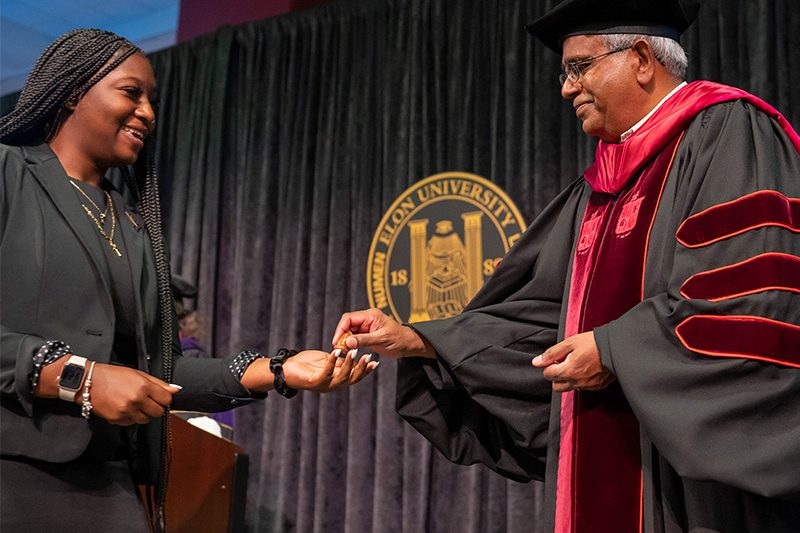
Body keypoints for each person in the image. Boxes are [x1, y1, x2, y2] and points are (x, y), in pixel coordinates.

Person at [333, 1, 800, 531]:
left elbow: (752, 302)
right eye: (564, 72)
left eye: (579, 67)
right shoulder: (595, 191)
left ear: (643, 58)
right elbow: (541, 320)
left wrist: (613, 348)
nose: (565, 88)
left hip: (697, 497)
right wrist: (421, 339)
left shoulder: (728, 134)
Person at [0, 29, 376, 532]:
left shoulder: (132, 227)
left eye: (152, 101)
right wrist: (78, 378)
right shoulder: (8, 174)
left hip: (107, 479)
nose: (148, 114)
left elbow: (160, 370)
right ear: (72, 90)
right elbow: (92, 376)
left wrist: (282, 370)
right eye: (131, 93)